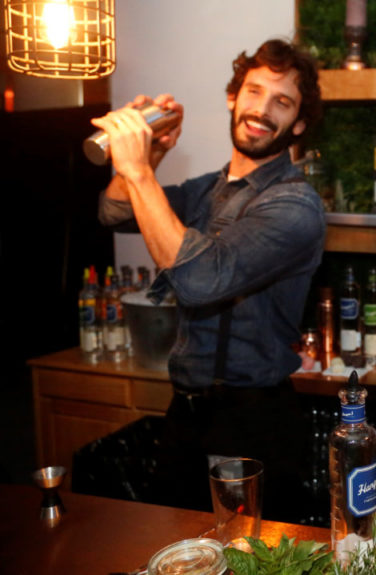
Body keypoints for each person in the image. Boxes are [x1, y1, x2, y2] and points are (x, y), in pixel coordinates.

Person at [95, 39, 325, 523]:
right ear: (232, 98)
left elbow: (199, 280)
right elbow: (114, 212)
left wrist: (137, 169)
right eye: (254, 91)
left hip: (254, 422)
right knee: (172, 549)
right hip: (187, 412)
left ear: (298, 124)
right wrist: (150, 156)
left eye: (281, 102)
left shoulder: (294, 206)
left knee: (245, 556)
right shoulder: (208, 190)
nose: (261, 109)